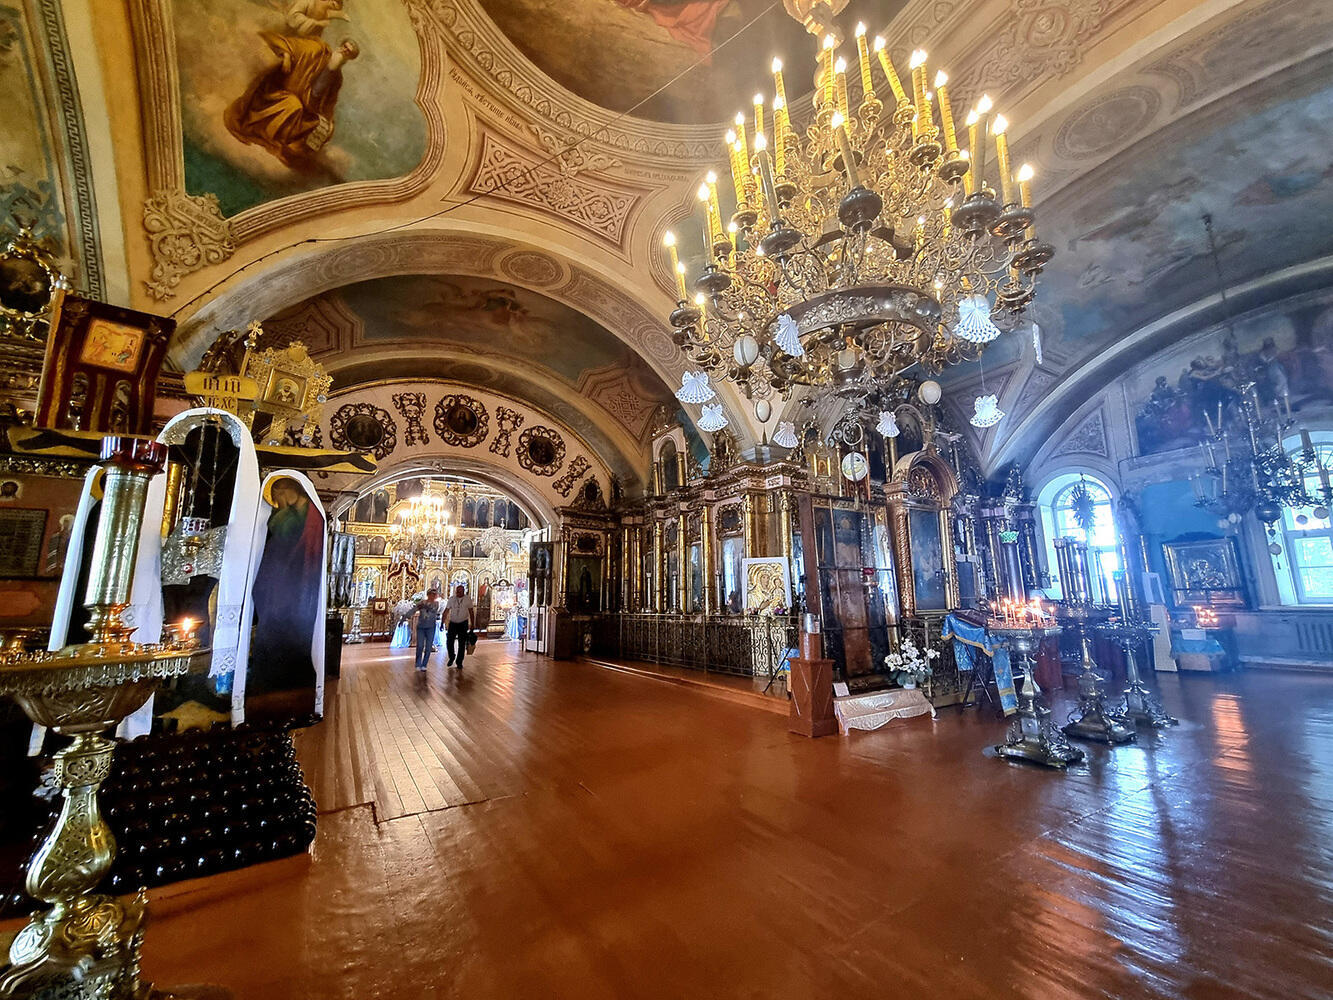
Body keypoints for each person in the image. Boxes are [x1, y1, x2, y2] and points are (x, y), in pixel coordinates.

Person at [444, 584, 476, 670]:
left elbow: (471, 612)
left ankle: (459, 662)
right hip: (453, 623)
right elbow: (446, 610)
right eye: (458, 591)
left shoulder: (467, 599)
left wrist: (472, 624)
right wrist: (443, 622)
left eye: (460, 591)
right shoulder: (452, 599)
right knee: (449, 641)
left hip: (463, 623)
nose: (459, 593)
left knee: (462, 643)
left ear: (463, 591)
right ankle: (451, 656)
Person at [411, 589, 443, 672]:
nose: (433, 596)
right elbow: (414, 609)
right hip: (421, 627)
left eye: (434, 595)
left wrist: (424, 605)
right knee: (420, 646)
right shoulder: (421, 602)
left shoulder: (436, 603)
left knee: (428, 647)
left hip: (431, 627)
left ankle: (424, 664)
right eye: (432, 594)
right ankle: (418, 664)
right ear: (428, 595)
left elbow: (433, 609)